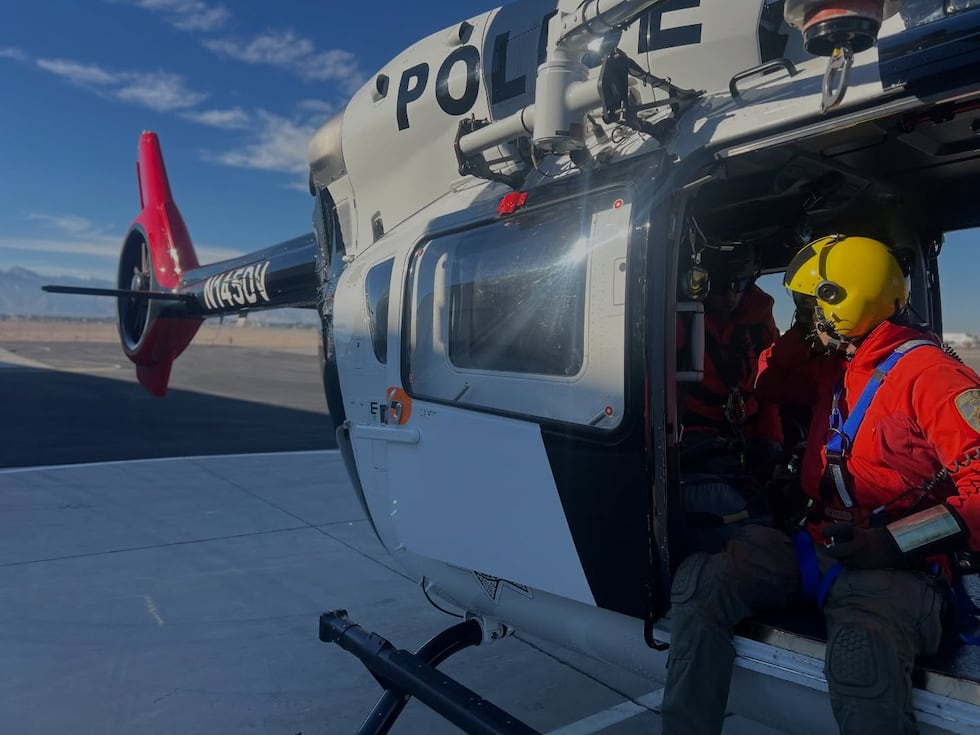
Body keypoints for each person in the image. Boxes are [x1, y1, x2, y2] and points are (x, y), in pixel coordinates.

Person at [661, 233, 980, 735]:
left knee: (859, 654)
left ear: (843, 303)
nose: (805, 317)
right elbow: (767, 384)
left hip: (900, 565)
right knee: (700, 583)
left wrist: (891, 543)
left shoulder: (932, 376)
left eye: (811, 306)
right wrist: (806, 332)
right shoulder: (839, 364)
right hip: (819, 542)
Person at [677, 244, 783, 551]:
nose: (731, 295)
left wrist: (771, 438)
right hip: (695, 438)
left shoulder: (759, 319)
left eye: (740, 285)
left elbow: (771, 386)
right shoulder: (681, 317)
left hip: (747, 433)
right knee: (735, 508)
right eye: (721, 286)